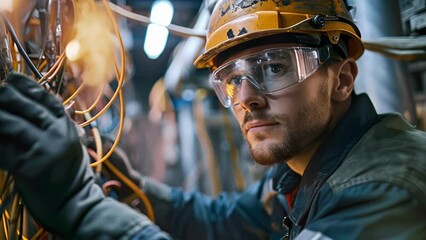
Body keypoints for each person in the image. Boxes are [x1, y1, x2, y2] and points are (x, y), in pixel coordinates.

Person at [0, 0, 425, 239]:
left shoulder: (382, 190)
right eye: (230, 79)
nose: (247, 99)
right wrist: (136, 190)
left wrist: (78, 205)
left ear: (343, 79)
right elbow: (223, 220)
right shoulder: (308, 172)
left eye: (275, 67)